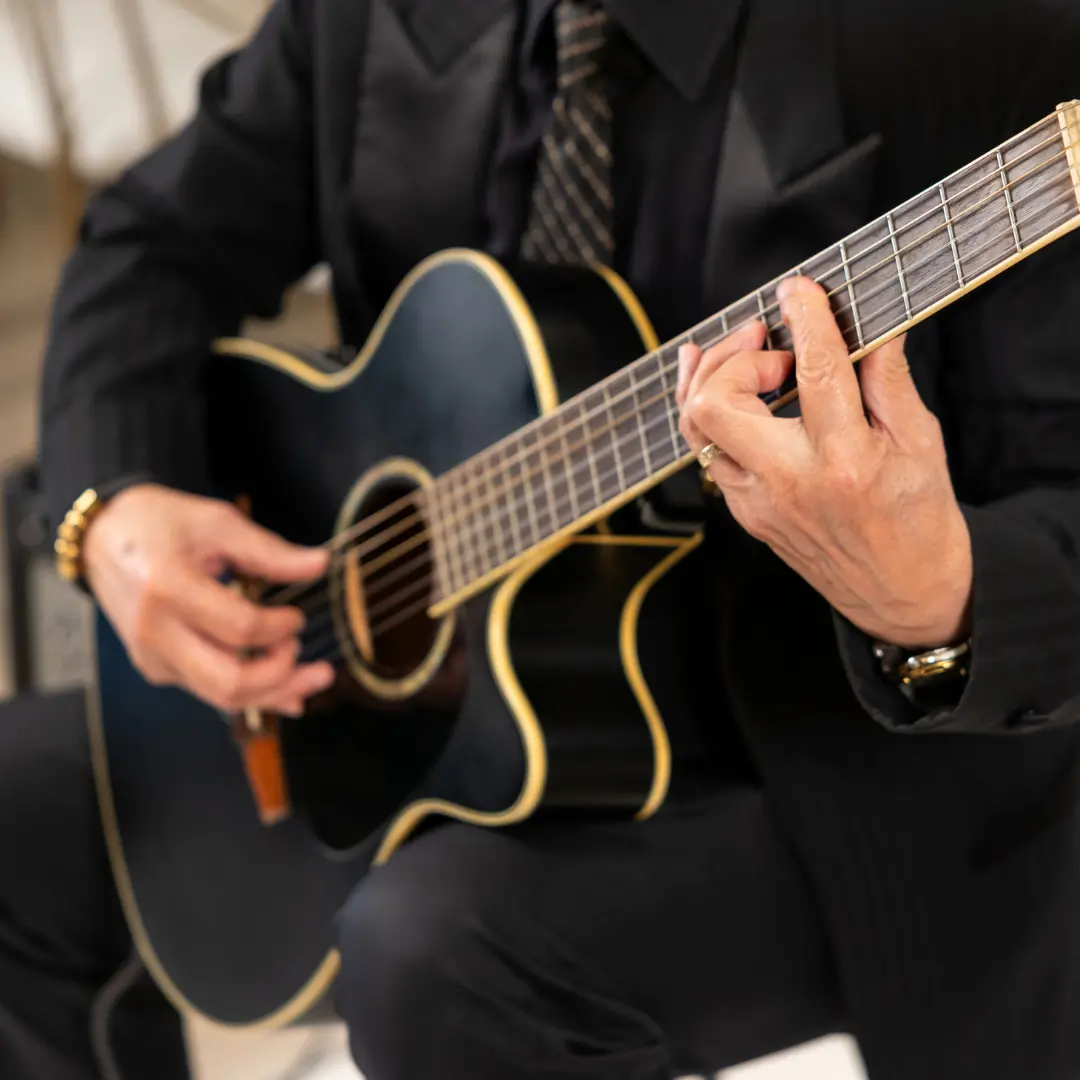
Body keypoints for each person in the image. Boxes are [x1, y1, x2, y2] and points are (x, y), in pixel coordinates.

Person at [6, 0, 1080, 1077]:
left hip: (823, 774)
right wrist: (115, 508)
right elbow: (151, 242)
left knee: (430, 950)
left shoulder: (985, 39)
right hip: (414, 705)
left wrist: (936, 597)